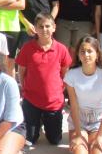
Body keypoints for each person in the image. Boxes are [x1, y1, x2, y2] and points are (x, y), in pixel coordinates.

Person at [15, 13, 71, 146]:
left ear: (54, 27)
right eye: (40, 26)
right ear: (35, 28)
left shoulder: (61, 49)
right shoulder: (27, 48)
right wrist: (25, 88)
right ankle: (36, 123)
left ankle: (45, 121)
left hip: (53, 102)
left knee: (54, 140)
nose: (44, 29)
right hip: (32, 101)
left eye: (47, 26)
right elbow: (21, 71)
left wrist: (58, 91)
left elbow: (65, 74)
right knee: (30, 139)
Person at [64, 36, 102, 154]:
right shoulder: (71, 75)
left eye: (90, 51)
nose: (86, 55)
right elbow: (73, 106)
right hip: (79, 121)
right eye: (82, 51)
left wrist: (100, 135)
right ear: (78, 54)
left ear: (97, 54)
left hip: (99, 121)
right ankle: (83, 141)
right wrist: (79, 135)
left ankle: (93, 141)